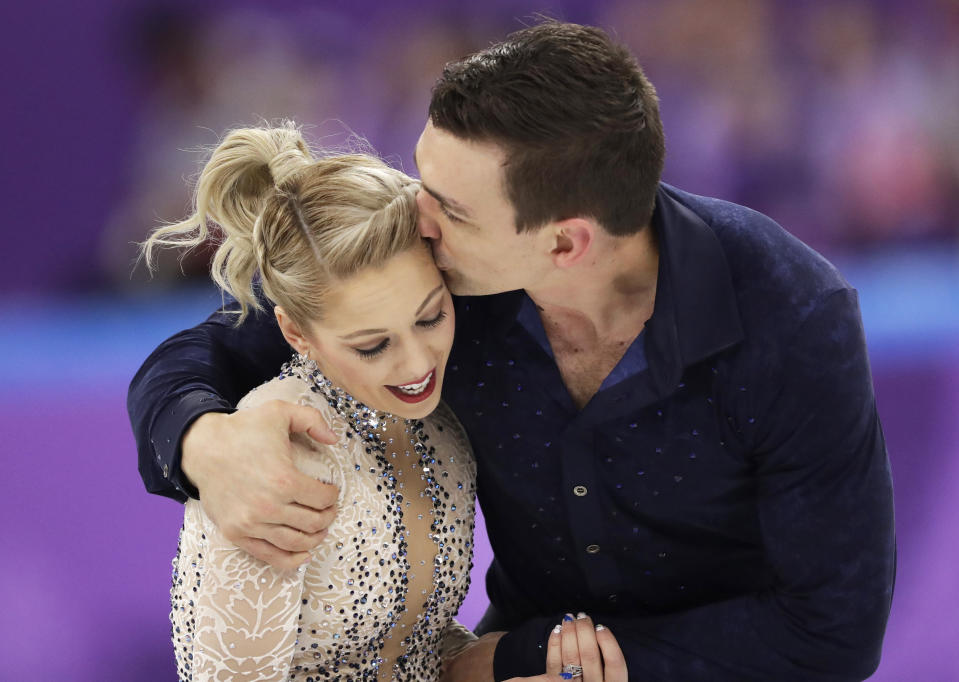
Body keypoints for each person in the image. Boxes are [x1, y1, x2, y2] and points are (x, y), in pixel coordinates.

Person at [129, 21, 895, 682]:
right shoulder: (437, 260)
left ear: (565, 242)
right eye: (422, 180)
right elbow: (201, 356)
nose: (416, 218)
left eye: (450, 209)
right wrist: (203, 440)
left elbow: (833, 629)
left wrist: (523, 659)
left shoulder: (789, 319)